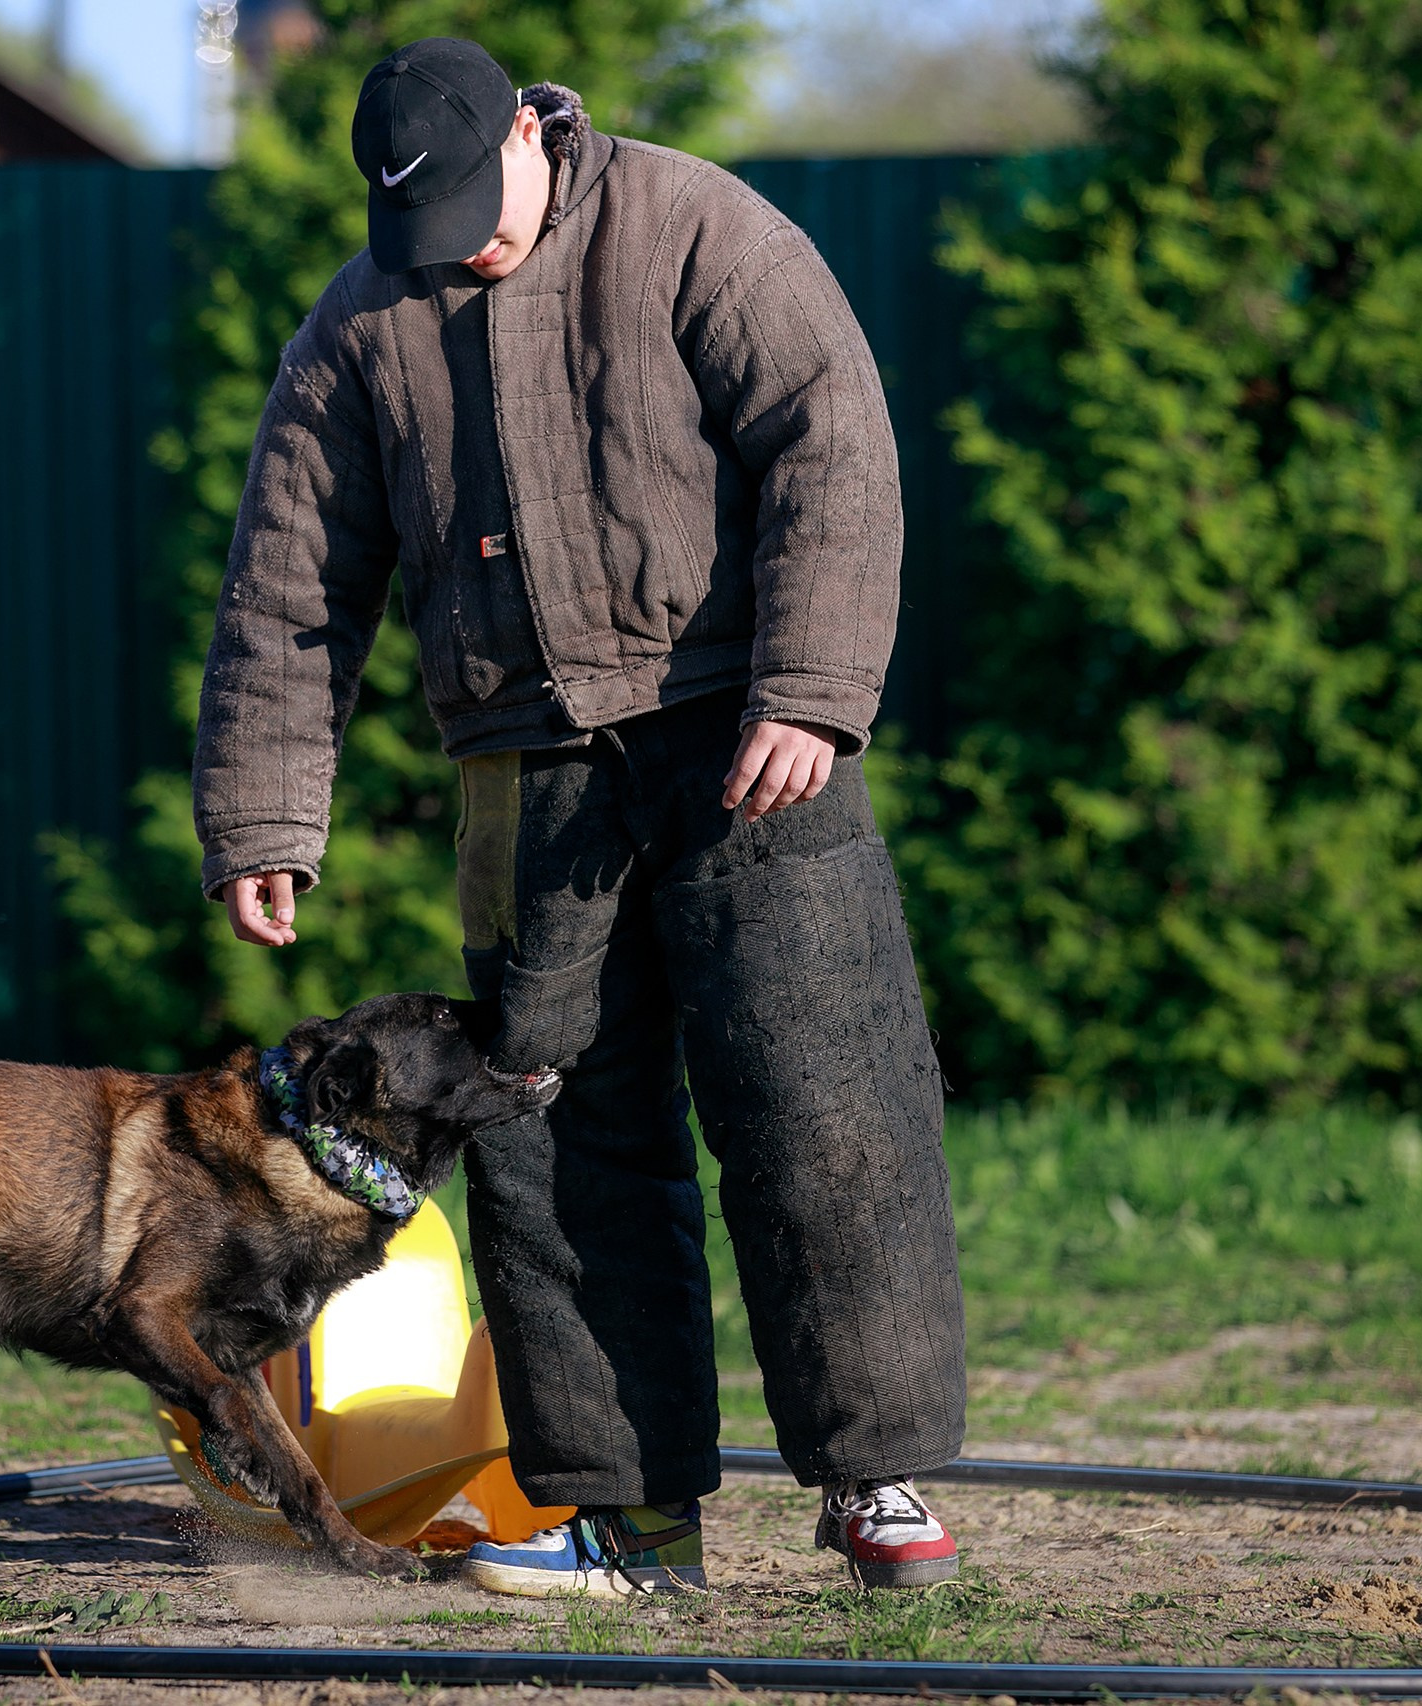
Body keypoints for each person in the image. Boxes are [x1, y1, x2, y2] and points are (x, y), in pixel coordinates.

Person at [193, 35, 967, 1595]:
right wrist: (266, 813)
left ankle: (873, 1477)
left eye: (473, 210)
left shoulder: (699, 228)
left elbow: (833, 440)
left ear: (529, 138)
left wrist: (813, 689)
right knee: (550, 1144)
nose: (458, 248)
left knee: (825, 1104)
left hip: (752, 734)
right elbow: (291, 579)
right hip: (521, 769)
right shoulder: (358, 322)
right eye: (421, 229)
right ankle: (630, 1521)